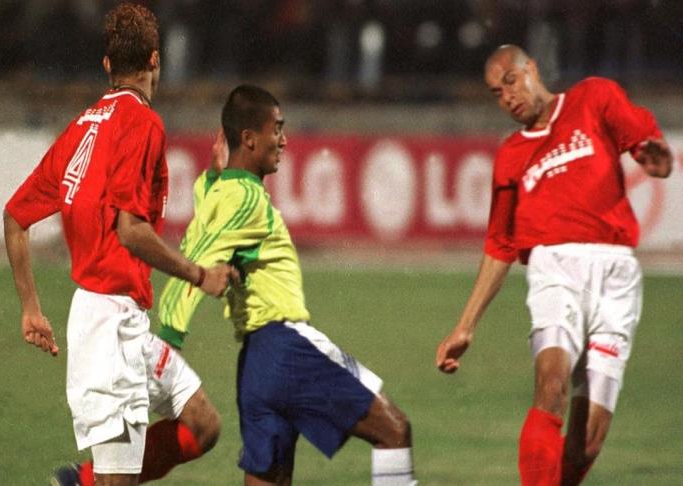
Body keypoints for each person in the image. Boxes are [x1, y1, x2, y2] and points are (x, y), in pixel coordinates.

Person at [3, 4, 239, 485]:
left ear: (107, 65)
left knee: (203, 424)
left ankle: (80, 481)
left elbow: (14, 218)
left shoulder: (82, 126)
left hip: (124, 323)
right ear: (155, 59)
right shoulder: (143, 123)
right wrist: (199, 275)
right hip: (109, 332)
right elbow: (131, 231)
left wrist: (31, 308)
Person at [156, 84, 418, 485]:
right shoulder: (248, 199)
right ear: (249, 138)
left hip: (256, 369)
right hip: (287, 348)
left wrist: (211, 175)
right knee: (395, 431)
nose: (284, 140)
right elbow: (198, 265)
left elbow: (200, 238)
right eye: (276, 129)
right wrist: (170, 339)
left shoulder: (220, 192)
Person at [435, 44, 672, 486]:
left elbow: (641, 140)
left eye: (510, 81)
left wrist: (654, 156)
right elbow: (501, 243)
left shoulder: (593, 97)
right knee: (551, 383)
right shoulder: (511, 155)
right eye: (496, 93)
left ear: (532, 69)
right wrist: (465, 325)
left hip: (616, 275)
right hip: (555, 268)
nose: (507, 97)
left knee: (588, 442)